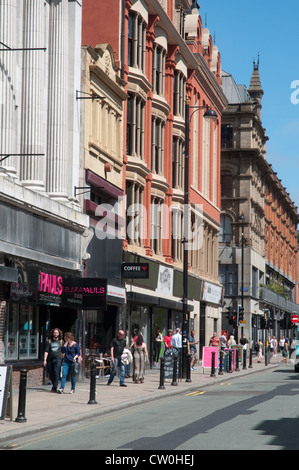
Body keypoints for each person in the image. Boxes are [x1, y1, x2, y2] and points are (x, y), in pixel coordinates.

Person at [44, 328, 63, 393]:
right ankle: (54, 383)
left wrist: (63, 359)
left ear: (59, 333)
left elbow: (63, 351)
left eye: (57, 333)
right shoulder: (49, 341)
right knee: (51, 373)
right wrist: (45, 360)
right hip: (50, 359)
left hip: (58, 359)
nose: (55, 334)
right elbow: (46, 351)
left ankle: (54, 387)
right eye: (54, 333)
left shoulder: (61, 342)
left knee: (56, 372)